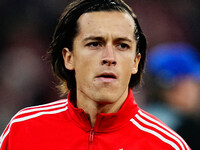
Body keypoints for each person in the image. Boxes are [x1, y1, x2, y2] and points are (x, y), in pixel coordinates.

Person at [0, 0, 190, 149]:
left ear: (135, 62)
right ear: (69, 57)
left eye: (122, 45)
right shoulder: (23, 130)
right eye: (94, 44)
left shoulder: (166, 146)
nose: (109, 57)